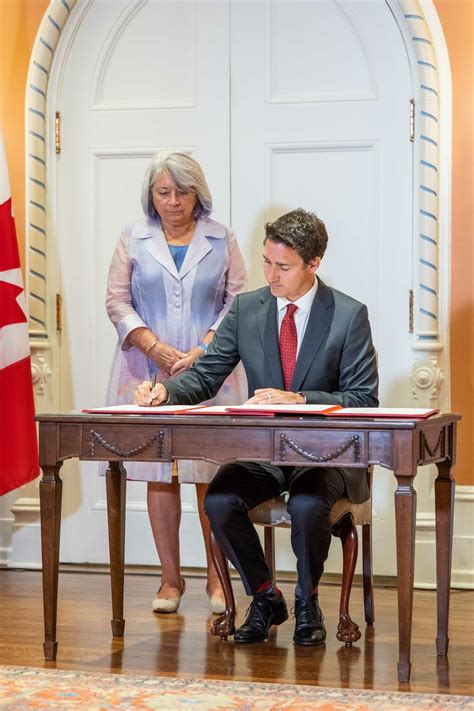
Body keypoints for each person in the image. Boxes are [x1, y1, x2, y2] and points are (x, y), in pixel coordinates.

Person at [135, 208, 378, 644]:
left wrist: (300, 399)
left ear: (314, 263)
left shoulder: (347, 315)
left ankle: (308, 601)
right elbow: (207, 374)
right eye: (266, 261)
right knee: (221, 499)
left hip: (327, 458)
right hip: (266, 454)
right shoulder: (247, 309)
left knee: (306, 505)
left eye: (282, 266)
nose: (270, 274)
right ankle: (265, 596)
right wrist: (166, 393)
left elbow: (363, 398)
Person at [105, 151, 247, 615]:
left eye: (182, 192)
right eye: (163, 192)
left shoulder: (221, 238)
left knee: (210, 473)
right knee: (158, 473)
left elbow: (238, 301)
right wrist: (153, 347)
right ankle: (170, 581)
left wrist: (206, 347)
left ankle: (217, 579)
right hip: (146, 371)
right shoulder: (133, 236)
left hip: (212, 371)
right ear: (151, 195)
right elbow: (117, 301)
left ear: (197, 194)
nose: (172, 201)